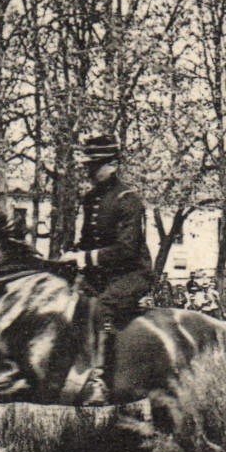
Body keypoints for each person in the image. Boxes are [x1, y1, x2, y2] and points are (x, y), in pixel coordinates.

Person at [60, 134, 155, 405]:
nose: (89, 172)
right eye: (88, 166)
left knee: (102, 308)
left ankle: (98, 381)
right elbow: (87, 242)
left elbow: (126, 251)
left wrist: (84, 259)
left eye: (94, 165)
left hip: (132, 273)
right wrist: (70, 257)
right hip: (100, 273)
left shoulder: (128, 200)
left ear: (112, 165)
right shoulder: (90, 199)